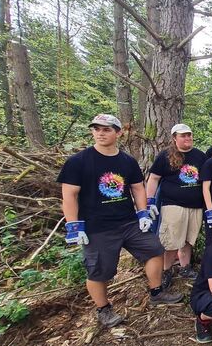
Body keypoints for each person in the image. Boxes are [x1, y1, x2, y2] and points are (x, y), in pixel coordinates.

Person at [57, 114, 182, 328]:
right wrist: (73, 225)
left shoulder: (127, 161)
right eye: (96, 129)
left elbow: (137, 187)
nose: (100, 133)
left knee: (154, 249)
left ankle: (156, 292)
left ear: (118, 133)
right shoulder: (79, 161)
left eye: (106, 129)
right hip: (97, 227)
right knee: (99, 270)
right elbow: (69, 195)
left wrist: (142, 213)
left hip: (128, 222)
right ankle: (103, 309)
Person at [146, 123, 206, 289]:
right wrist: (149, 201)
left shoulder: (199, 156)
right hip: (173, 205)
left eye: (189, 135)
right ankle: (166, 271)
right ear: (174, 138)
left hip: (195, 206)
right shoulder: (165, 156)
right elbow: (154, 178)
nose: (187, 138)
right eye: (182, 135)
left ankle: (185, 267)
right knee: (171, 242)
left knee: (188, 240)